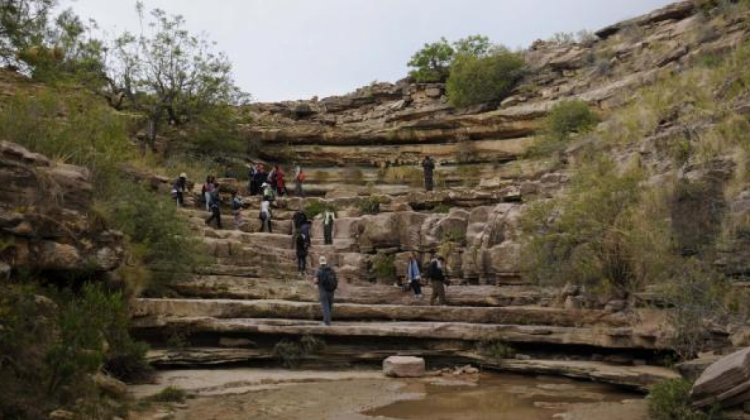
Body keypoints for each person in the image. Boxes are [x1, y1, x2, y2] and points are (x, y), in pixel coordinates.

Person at [313, 256, 337, 326]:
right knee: (329, 306)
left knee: (325, 307)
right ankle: (328, 321)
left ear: (320, 262)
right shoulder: (331, 270)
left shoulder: (318, 271)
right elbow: (335, 280)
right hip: (331, 291)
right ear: (325, 262)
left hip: (323, 291)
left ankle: (326, 322)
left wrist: (315, 282)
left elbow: (315, 281)